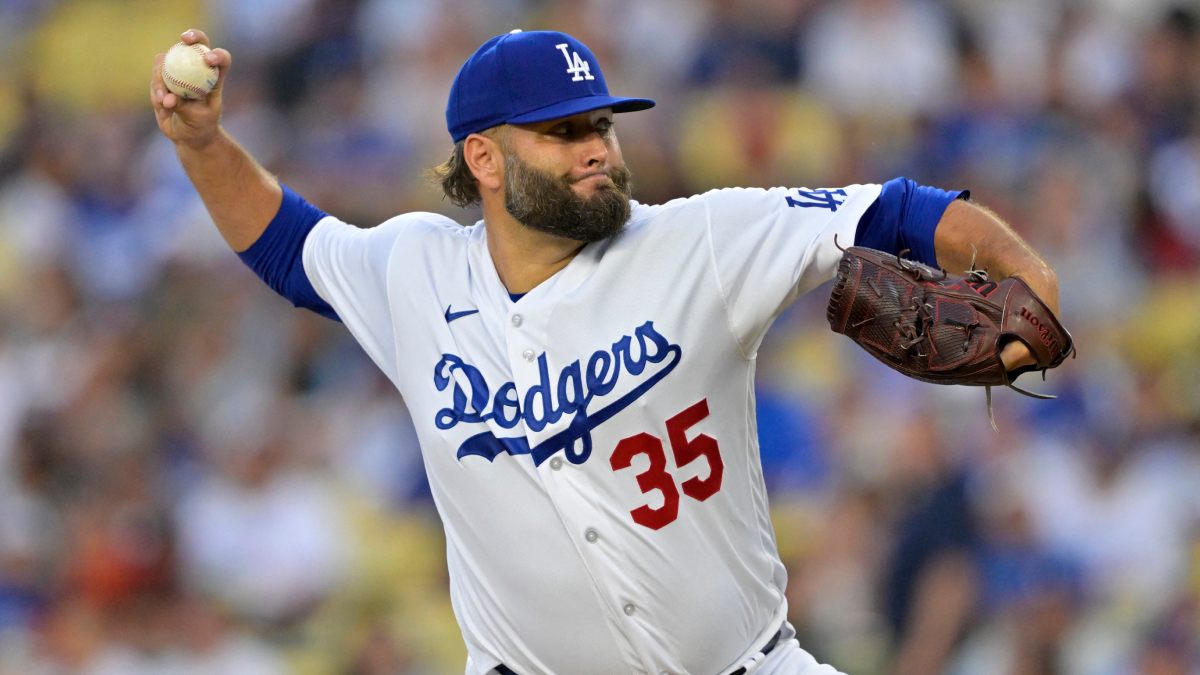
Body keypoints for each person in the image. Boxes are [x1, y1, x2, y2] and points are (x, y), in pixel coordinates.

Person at [150, 27, 1059, 675]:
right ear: (485, 159)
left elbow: (896, 209)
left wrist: (1027, 275)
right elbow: (288, 246)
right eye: (564, 132)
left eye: (602, 125)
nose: (597, 150)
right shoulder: (413, 268)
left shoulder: (697, 240)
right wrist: (202, 143)